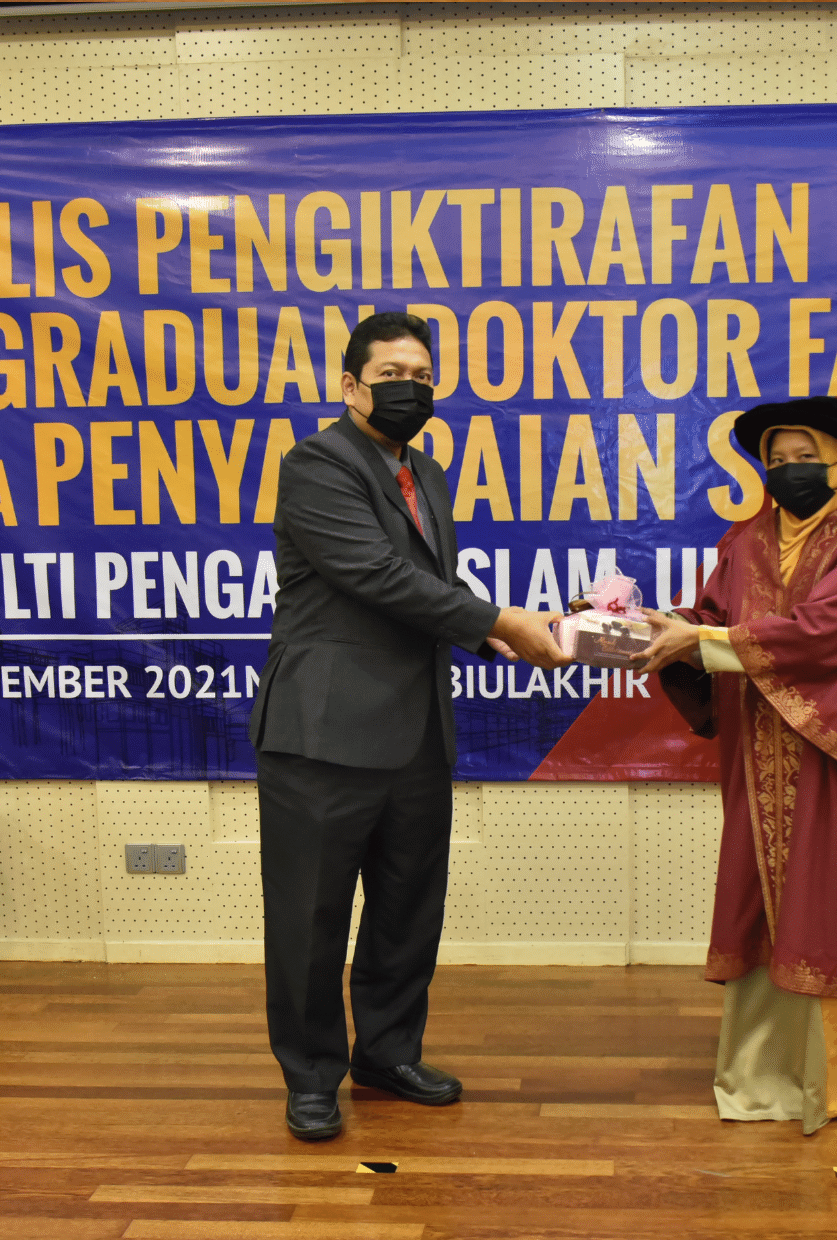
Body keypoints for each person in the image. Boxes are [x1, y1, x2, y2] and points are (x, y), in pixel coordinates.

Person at [248, 311, 567, 1141]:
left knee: (407, 909)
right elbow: (376, 574)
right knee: (311, 918)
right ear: (349, 386)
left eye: (422, 377)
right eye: (391, 374)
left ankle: (387, 1054)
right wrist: (498, 618)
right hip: (323, 731)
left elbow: (428, 589)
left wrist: (495, 634)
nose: (409, 389)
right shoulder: (316, 463)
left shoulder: (426, 472)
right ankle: (311, 1075)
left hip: (417, 728)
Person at [637, 396, 837, 1137]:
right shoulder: (745, 542)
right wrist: (657, 630)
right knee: (767, 902)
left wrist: (703, 643)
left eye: (807, 458)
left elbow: (827, 633)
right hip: (763, 749)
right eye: (777, 459)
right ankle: (766, 1073)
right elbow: (714, 619)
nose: (788, 471)